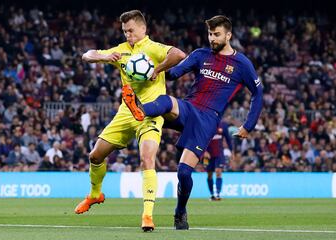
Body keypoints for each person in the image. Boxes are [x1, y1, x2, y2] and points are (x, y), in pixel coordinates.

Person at [122, 15, 263, 230]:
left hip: (207, 120)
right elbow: (175, 74)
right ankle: (140, 111)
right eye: (210, 34)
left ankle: (180, 211)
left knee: (184, 173)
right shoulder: (200, 55)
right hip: (188, 108)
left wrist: (248, 125)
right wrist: (156, 70)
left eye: (216, 34)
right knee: (166, 101)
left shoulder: (241, 64)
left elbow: (258, 92)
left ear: (228, 35)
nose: (212, 38)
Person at [74, 10, 186, 232]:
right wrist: (104, 57)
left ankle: (147, 216)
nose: (128, 35)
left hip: (150, 113)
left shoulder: (153, 48)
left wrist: (157, 69)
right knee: (95, 155)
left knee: (147, 159)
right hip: (126, 113)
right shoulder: (121, 50)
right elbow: (87, 55)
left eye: (131, 31)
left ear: (143, 29)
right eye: (125, 31)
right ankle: (95, 195)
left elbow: (180, 55)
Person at [204, 120, 233, 201]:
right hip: (207, 155)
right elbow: (201, 139)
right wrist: (204, 151)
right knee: (209, 174)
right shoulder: (205, 123)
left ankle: (217, 193)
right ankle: (212, 194)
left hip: (219, 153)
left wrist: (231, 150)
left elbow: (228, 138)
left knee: (218, 172)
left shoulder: (223, 125)